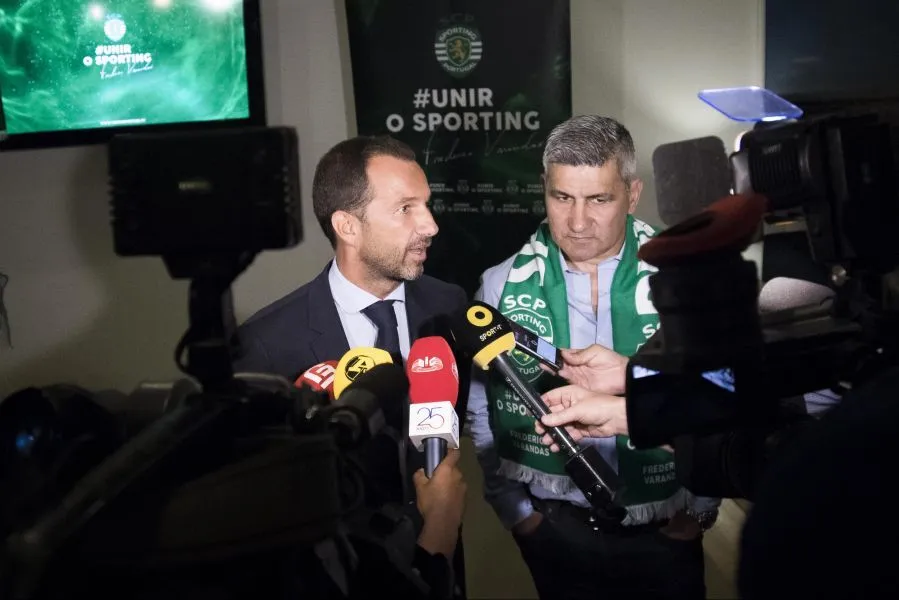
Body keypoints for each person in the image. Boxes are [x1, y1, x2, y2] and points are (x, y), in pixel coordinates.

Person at [466, 115, 719, 599]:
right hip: (556, 529)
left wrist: (699, 512)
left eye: (599, 199)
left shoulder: (686, 278)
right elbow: (483, 405)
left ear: (633, 194)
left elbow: (720, 391)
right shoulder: (500, 285)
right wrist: (519, 514)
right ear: (544, 189)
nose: (578, 222)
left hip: (666, 526)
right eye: (562, 197)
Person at [234, 135, 470, 598]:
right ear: (347, 226)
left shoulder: (449, 303)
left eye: (426, 204)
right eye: (406, 208)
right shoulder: (267, 344)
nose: (431, 225)